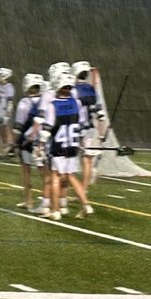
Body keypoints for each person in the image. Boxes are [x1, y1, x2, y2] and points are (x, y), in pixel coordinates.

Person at [36, 71, 94, 221]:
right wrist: (80, 143)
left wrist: (40, 146)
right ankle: (86, 204)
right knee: (71, 176)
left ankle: (55, 210)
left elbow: (46, 130)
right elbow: (81, 125)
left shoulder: (52, 106)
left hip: (58, 146)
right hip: (72, 146)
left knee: (55, 177)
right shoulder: (77, 102)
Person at [12, 73, 46, 210]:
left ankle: (28, 200)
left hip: (27, 141)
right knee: (44, 172)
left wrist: (14, 143)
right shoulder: (46, 100)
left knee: (26, 171)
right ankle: (47, 201)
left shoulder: (24, 103)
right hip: (43, 140)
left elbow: (19, 126)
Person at [72, 61, 106, 193]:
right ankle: (83, 188)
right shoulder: (91, 89)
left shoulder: (73, 90)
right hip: (90, 129)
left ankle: (77, 190)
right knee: (87, 159)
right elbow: (100, 114)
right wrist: (102, 134)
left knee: (72, 159)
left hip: (76, 129)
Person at [0, 67, 16, 158]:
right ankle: (2, 151)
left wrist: (7, 114)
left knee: (7, 131)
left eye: (0, 75)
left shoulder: (9, 87)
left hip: (4, 113)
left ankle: (9, 150)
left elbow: (10, 102)